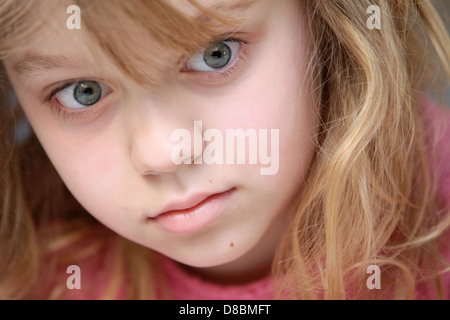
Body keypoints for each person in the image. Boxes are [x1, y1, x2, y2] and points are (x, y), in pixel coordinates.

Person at [0, 0, 449, 300]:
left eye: (216, 54)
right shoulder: (37, 277)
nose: (164, 153)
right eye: (84, 92)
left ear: (321, 17)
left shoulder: (439, 212)